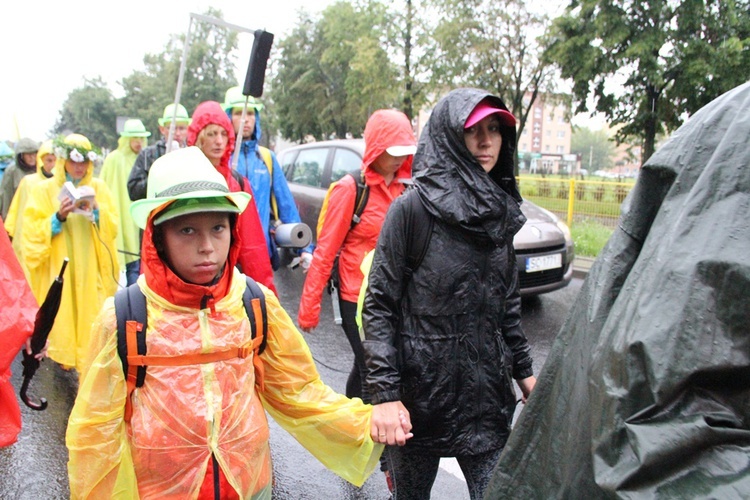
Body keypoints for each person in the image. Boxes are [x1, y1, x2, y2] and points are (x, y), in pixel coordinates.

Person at [65, 146, 413, 498]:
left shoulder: (254, 303)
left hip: (247, 485)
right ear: (157, 236)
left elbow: (298, 392)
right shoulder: (124, 318)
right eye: (186, 230)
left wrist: (367, 420)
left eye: (218, 227)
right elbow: (95, 435)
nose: (207, 247)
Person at [362, 88, 537, 500]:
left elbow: (506, 306)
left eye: (494, 129)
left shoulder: (500, 210)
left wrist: (525, 374)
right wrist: (385, 396)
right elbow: (380, 306)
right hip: (420, 402)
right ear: (447, 136)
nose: (485, 141)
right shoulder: (412, 210)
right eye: (473, 130)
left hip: (486, 402)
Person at [298, 109, 417, 403]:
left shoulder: (407, 189)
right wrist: (309, 309)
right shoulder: (351, 189)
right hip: (356, 297)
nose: (400, 158)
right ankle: (369, 438)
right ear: (376, 148)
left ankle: (350, 417)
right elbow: (325, 252)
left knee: (364, 361)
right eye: (394, 151)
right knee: (373, 368)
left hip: (392, 295)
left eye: (405, 151)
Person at [21, 133, 119, 372]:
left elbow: (113, 226)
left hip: (89, 271)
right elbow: (31, 232)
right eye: (74, 161)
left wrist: (96, 212)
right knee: (61, 317)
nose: (79, 167)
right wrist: (58, 218)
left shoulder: (99, 188)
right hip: (60, 269)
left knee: (92, 322)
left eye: (84, 162)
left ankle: (88, 376)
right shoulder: (44, 190)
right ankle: (64, 360)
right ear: (64, 160)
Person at [187, 100, 276, 294]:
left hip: (228, 288)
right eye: (211, 134)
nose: (219, 141)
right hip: (186, 287)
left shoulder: (237, 184)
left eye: (223, 134)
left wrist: (266, 302)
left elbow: (253, 249)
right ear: (198, 137)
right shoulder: (180, 181)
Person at [222, 86, 314, 270]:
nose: (246, 119)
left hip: (260, 254)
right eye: (239, 113)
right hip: (226, 258)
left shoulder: (267, 158)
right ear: (228, 117)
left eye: (251, 113)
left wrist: (304, 248)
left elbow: (286, 205)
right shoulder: (222, 157)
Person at [99, 118, 150, 286]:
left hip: (139, 215)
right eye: (135, 138)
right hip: (121, 214)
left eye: (141, 138)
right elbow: (103, 186)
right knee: (129, 260)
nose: (139, 143)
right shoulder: (114, 159)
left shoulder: (144, 159)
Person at [5, 139, 56, 283]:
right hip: (26, 231)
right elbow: (9, 199)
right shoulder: (25, 180)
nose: (52, 165)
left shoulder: (61, 183)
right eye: (48, 160)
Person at [127, 103, 191, 202]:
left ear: (188, 130)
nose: (177, 133)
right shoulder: (147, 155)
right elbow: (133, 192)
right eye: (172, 128)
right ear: (162, 129)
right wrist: (159, 177)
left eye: (182, 128)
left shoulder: (193, 155)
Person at [0, 137, 39, 220]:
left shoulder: (41, 169)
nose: (32, 157)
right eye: (28, 154)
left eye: (34, 154)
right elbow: (6, 197)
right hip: (19, 217)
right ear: (21, 155)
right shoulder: (12, 172)